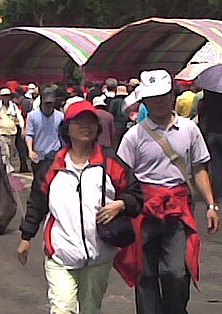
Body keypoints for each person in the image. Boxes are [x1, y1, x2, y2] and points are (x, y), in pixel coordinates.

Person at [17, 100, 143, 314]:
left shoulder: (111, 162)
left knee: (90, 309)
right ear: (67, 128)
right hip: (60, 254)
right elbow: (37, 203)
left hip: (99, 256)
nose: (86, 126)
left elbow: (137, 194)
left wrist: (121, 205)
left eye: (91, 122)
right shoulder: (52, 166)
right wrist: (26, 237)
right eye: (79, 122)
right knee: (63, 308)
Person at [116, 69, 220, 314]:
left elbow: (199, 169)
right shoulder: (133, 135)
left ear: (172, 95)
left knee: (174, 272)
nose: (159, 101)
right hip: (143, 209)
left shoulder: (189, 129)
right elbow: (120, 176)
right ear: (144, 100)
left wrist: (211, 205)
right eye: (153, 97)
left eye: (163, 95)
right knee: (145, 273)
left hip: (178, 209)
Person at [25, 87, 64, 177]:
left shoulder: (60, 116)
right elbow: (29, 134)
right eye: (47, 103)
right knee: (39, 182)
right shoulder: (32, 116)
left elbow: (62, 135)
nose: (49, 106)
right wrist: (30, 151)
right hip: (39, 156)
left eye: (51, 103)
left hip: (54, 154)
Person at [0, 87, 25, 172]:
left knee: (10, 151)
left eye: (7, 96)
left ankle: (8, 165)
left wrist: (22, 127)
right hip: (1, 132)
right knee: (4, 151)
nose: (6, 98)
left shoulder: (13, 106)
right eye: (4, 96)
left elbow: (19, 117)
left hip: (12, 132)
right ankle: (6, 168)